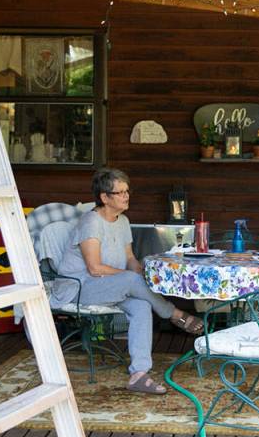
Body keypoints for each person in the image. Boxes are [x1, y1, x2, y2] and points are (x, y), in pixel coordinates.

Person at [53, 168, 204, 395]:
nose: (126, 196)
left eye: (127, 191)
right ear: (105, 197)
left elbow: (130, 259)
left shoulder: (122, 221)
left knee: (142, 305)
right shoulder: (91, 222)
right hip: (79, 287)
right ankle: (174, 314)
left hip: (110, 286)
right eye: (120, 192)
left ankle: (139, 374)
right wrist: (131, 278)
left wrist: (141, 275)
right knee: (131, 280)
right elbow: (94, 268)